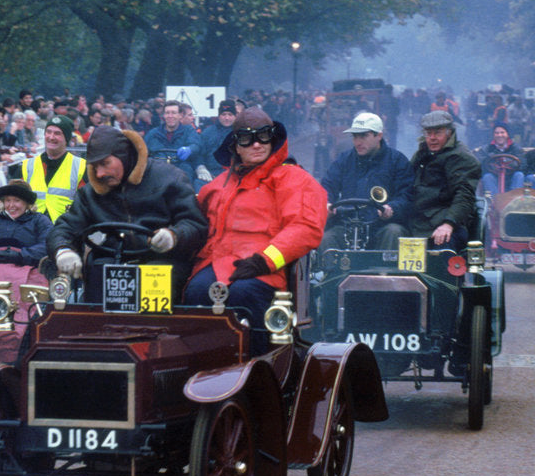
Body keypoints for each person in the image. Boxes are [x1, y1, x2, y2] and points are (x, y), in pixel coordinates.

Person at [183, 108, 327, 355]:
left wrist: (265, 260)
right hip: (216, 263)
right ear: (236, 146)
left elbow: (305, 227)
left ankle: (262, 369)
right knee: (194, 293)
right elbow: (191, 219)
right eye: (247, 139)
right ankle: (197, 371)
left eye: (264, 136)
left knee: (244, 294)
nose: (257, 144)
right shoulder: (218, 185)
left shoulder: (293, 178)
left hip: (266, 268)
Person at [46, 125, 207, 302]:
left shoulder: (170, 178)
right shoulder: (91, 193)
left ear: (124, 156)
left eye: (105, 163)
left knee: (158, 274)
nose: (99, 173)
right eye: (95, 166)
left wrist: (173, 236)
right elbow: (65, 227)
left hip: (160, 262)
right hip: (110, 262)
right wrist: (63, 250)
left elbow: (194, 224)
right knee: (96, 269)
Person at [320, 112, 412, 250]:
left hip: (381, 225)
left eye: (363, 136)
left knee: (394, 232)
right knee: (326, 239)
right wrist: (327, 204)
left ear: (379, 136)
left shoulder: (397, 160)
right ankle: (330, 272)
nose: (358, 142)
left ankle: (387, 271)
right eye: (355, 136)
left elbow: (407, 194)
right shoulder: (344, 160)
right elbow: (327, 185)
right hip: (347, 224)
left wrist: (392, 208)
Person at [408, 110, 481, 250]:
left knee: (442, 245)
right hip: (416, 221)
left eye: (438, 133)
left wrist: (449, 224)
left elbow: (464, 196)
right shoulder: (422, 153)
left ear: (449, 133)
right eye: (428, 133)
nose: (432, 138)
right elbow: (407, 181)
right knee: (391, 231)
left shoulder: (461, 158)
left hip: (445, 222)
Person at [0, 179, 52, 267]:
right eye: (8, 200)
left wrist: (19, 255)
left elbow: (47, 246)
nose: (11, 205)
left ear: (27, 203)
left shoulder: (40, 221)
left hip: (28, 269)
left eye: (17, 200)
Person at [20, 114, 85, 222]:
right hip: (31, 229)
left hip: (65, 230)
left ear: (66, 139)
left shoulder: (81, 167)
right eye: (48, 132)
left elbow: (85, 205)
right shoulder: (27, 166)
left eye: (57, 133)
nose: (51, 137)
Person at [143, 100, 199, 179]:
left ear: (180, 115)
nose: (170, 116)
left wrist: (189, 149)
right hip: (158, 171)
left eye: (173, 113)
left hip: (181, 171)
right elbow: (143, 152)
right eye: (167, 113)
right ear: (163, 116)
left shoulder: (188, 131)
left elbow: (195, 144)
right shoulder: (152, 133)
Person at [476, 122, 524, 194]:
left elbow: (523, 164)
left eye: (502, 132)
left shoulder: (516, 148)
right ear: (493, 135)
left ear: (507, 134)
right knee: (487, 177)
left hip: (510, 178)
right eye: (497, 133)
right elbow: (480, 165)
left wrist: (507, 162)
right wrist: (492, 161)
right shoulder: (486, 149)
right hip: (494, 179)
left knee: (519, 175)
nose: (499, 135)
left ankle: (514, 200)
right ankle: (495, 202)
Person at [196, 100, 237, 185]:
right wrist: (200, 166)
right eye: (223, 114)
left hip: (234, 174)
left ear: (235, 116)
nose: (227, 118)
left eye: (230, 114)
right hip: (211, 174)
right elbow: (199, 153)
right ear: (218, 116)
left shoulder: (241, 133)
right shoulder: (207, 132)